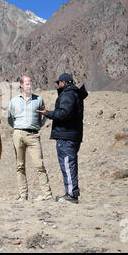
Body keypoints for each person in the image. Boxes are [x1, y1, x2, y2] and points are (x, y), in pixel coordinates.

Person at [37, 73, 88, 204]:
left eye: (59, 83)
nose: (58, 85)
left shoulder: (67, 94)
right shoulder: (75, 94)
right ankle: (70, 192)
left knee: (67, 164)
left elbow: (64, 114)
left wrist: (47, 113)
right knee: (70, 164)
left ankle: (71, 194)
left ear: (64, 83)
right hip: (73, 134)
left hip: (66, 135)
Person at [8, 75, 53, 201]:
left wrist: (36, 126)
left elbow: (43, 117)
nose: (29, 86)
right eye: (27, 83)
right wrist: (18, 127)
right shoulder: (14, 101)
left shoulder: (38, 100)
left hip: (33, 135)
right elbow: (10, 118)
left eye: (30, 83)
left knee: (39, 165)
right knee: (20, 166)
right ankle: (23, 195)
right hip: (18, 134)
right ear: (21, 85)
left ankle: (47, 195)